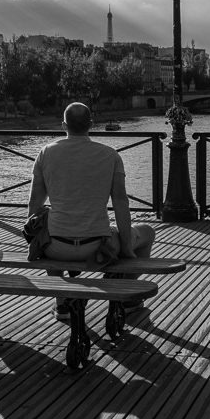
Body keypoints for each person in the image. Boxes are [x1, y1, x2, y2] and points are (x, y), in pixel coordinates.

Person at [28, 102, 155, 320]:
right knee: (148, 232)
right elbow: (120, 204)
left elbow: (34, 206)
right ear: (92, 125)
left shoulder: (45, 153)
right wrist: (125, 245)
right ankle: (125, 297)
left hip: (57, 247)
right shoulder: (110, 155)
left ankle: (62, 304)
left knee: (47, 230)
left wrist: (33, 241)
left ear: (63, 126)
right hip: (97, 245)